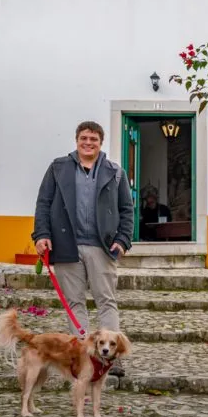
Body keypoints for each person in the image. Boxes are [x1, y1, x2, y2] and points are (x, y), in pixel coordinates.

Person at [32, 121, 134, 377]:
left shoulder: (115, 172)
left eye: (94, 139)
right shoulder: (58, 168)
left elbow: (126, 209)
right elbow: (44, 203)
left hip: (102, 246)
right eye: (84, 138)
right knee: (74, 302)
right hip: (67, 245)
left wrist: (122, 240)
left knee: (106, 301)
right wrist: (41, 235)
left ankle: (111, 358)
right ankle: (82, 355)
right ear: (76, 140)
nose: (88, 143)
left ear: (101, 143)